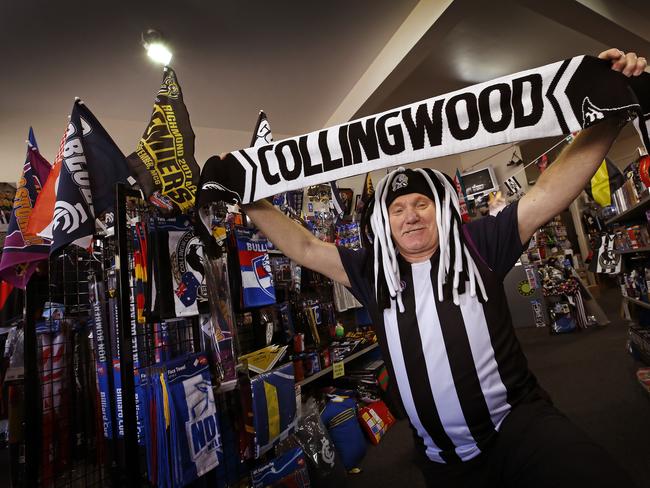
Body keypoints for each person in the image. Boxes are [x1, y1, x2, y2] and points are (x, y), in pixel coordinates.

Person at [232, 48, 646, 487]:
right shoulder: (372, 269)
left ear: (440, 210)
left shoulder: (479, 242)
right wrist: (247, 199)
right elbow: (304, 246)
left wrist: (611, 113)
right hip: (441, 457)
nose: (410, 216)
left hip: (520, 429)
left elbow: (548, 193)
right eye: (398, 209)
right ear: (385, 222)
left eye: (420, 204)